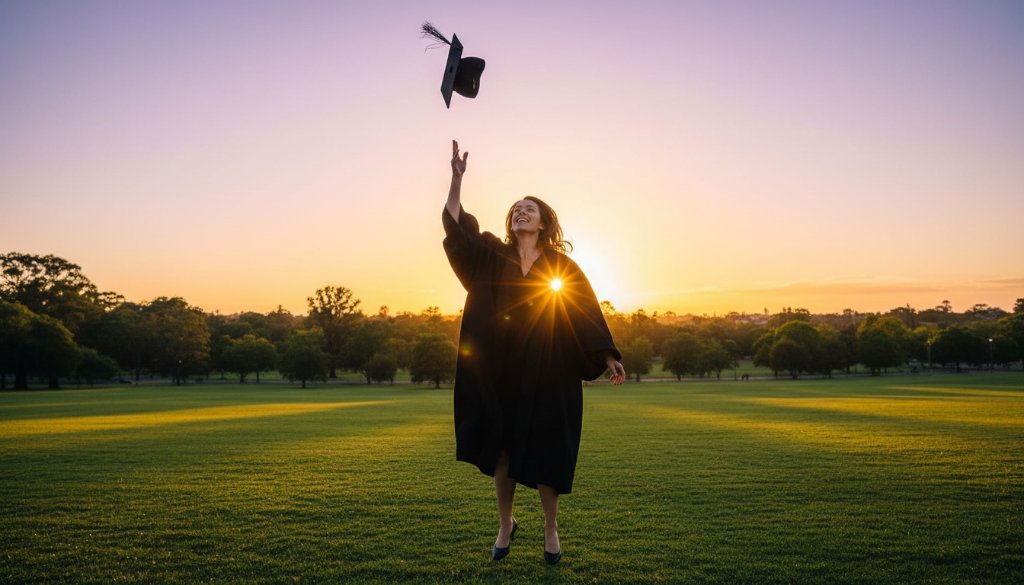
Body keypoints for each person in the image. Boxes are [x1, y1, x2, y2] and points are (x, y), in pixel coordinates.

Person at [441, 140, 626, 565]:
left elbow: (585, 309)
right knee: (502, 449)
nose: (521, 212)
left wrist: (606, 355)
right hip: (499, 369)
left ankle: (550, 526)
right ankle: (506, 523)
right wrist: (456, 180)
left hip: (547, 369)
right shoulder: (490, 252)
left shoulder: (562, 267)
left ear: (544, 222)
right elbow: (456, 229)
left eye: (529, 208)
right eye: (516, 209)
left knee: (546, 447)